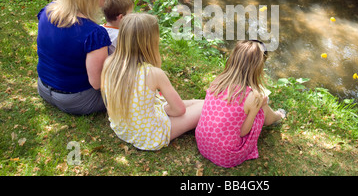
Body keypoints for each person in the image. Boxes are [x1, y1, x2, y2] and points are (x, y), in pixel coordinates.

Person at [101, 13, 204, 151]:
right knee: (205, 106)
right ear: (151, 42)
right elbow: (180, 110)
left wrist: (165, 108)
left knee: (200, 102)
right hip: (149, 136)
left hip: (123, 129)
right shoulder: (153, 73)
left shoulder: (109, 63)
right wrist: (166, 109)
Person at [195, 40, 286, 168]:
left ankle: (276, 115)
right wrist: (259, 104)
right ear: (258, 68)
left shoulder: (218, 81)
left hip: (203, 144)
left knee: (254, 106)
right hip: (226, 156)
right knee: (261, 107)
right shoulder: (252, 96)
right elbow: (243, 132)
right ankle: (277, 116)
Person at [36, 0, 111, 115]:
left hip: (43, 87)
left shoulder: (47, 11)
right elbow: (97, 84)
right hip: (76, 101)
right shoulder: (94, 33)